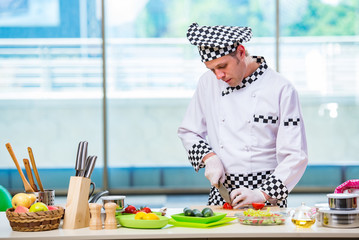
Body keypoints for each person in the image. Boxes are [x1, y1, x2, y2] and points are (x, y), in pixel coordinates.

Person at [178, 23, 308, 208]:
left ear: (240, 52)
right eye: (211, 69)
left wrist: (261, 194)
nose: (218, 76)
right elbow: (189, 131)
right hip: (222, 193)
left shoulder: (281, 89)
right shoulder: (207, 83)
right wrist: (209, 157)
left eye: (222, 66)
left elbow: (296, 155)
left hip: (266, 196)